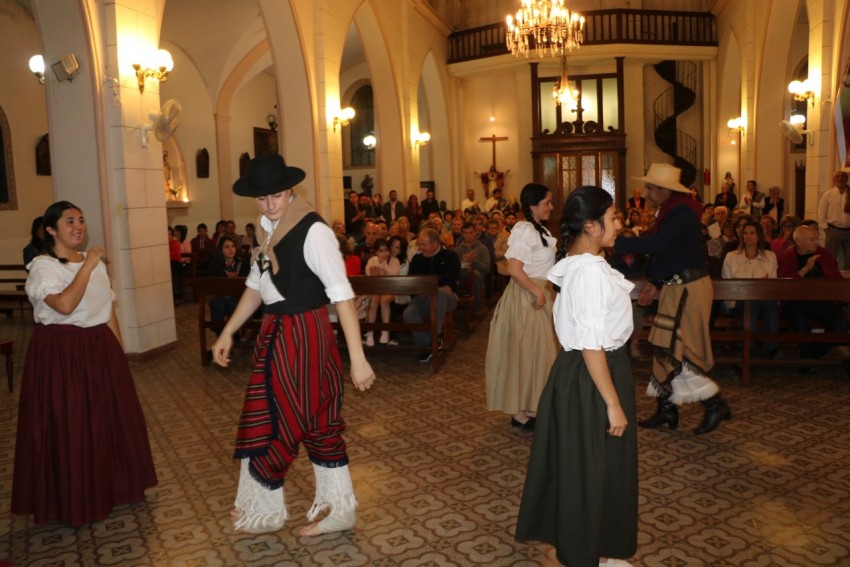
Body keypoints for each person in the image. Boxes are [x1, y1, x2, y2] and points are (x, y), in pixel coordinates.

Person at [210, 154, 375, 536]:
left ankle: (271, 507)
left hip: (304, 332)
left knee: (286, 419)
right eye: (262, 198)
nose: (270, 204)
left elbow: (342, 295)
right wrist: (228, 331)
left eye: (278, 196)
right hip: (277, 331)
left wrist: (359, 359)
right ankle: (324, 508)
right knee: (307, 419)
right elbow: (256, 288)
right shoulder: (266, 228)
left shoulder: (312, 230)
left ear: (291, 191)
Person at [13, 201, 157, 526]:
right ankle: (72, 496)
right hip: (62, 354)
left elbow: (107, 310)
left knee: (106, 420)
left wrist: (119, 358)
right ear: (51, 229)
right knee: (72, 423)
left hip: (99, 347)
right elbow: (64, 305)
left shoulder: (94, 264)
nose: (78, 226)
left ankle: (112, 488)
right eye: (69, 221)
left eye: (81, 219)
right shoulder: (43, 267)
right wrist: (88, 264)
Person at [516, 186, 637, 567]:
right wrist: (613, 403)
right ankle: (581, 556)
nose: (619, 223)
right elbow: (590, 344)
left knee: (596, 466)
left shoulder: (585, 266)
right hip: (593, 376)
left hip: (594, 372)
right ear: (591, 225)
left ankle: (593, 550)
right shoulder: (587, 272)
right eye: (614, 217)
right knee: (589, 469)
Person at [614, 163, 731, 435]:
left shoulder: (681, 213)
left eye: (649, 187)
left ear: (663, 190)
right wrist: (654, 283)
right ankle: (666, 409)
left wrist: (618, 242)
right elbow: (669, 255)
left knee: (683, 350)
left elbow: (659, 246)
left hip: (689, 288)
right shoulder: (671, 210)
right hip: (677, 286)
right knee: (664, 346)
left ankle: (715, 404)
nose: (645, 191)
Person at [485, 183, 559, 430]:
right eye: (547, 202)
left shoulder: (538, 229)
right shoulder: (525, 229)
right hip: (527, 297)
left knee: (538, 354)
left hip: (537, 294)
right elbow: (515, 269)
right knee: (528, 353)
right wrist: (537, 291)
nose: (551, 206)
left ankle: (530, 407)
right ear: (533, 206)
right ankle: (521, 413)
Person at [777, 224, 848, 368]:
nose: (817, 242)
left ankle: (809, 356)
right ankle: (810, 359)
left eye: (817, 238)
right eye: (812, 239)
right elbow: (784, 284)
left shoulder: (824, 254)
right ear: (799, 241)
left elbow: (836, 277)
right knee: (801, 323)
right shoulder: (787, 256)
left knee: (840, 325)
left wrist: (841, 295)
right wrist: (805, 269)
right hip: (795, 302)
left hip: (822, 301)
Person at [721, 220, 780, 357]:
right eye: (745, 233)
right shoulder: (731, 257)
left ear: (759, 235)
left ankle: (770, 346)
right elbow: (727, 285)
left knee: (768, 302)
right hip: (737, 302)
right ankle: (748, 346)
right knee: (750, 301)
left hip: (765, 302)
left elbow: (774, 285)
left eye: (752, 233)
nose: (748, 236)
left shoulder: (770, 257)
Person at [403, 227, 460, 362]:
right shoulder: (417, 259)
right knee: (409, 314)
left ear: (435, 243)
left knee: (438, 293)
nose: (421, 247)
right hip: (423, 297)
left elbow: (450, 278)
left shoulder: (450, 256)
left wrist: (430, 286)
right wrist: (423, 288)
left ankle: (437, 335)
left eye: (424, 244)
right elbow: (413, 279)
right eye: (420, 244)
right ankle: (429, 344)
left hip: (447, 298)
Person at [363, 238, 401, 346]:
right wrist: (377, 273)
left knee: (384, 301)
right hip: (377, 288)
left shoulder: (394, 260)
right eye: (381, 251)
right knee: (374, 302)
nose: (384, 253)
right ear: (376, 251)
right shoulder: (372, 260)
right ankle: (370, 333)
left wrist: (385, 267)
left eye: (386, 250)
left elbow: (395, 273)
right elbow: (368, 273)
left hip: (392, 288)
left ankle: (385, 331)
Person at [207, 235, 251, 325]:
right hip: (219, 295)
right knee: (219, 305)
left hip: (236, 295)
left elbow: (247, 280)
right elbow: (211, 281)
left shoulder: (242, 262)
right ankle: (219, 333)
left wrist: (237, 277)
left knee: (233, 304)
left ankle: (234, 335)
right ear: (221, 250)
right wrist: (225, 276)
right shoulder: (216, 262)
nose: (231, 249)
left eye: (233, 246)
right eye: (227, 247)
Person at [817, 169, 850, 269]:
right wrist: (827, 230)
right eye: (838, 176)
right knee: (830, 258)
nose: (840, 178)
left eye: (843, 176)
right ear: (834, 180)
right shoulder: (828, 194)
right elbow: (821, 213)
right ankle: (830, 281)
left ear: (847, 179)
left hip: (849, 232)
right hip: (833, 231)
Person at [454, 221, 490, 310]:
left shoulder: (482, 248)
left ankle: (476, 306)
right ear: (462, 234)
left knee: (474, 274)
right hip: (460, 275)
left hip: (478, 277)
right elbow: (453, 267)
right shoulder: (458, 249)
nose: (469, 235)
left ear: (475, 233)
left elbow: (487, 268)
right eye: (466, 233)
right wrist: (464, 261)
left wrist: (474, 262)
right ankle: (455, 302)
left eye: (471, 233)